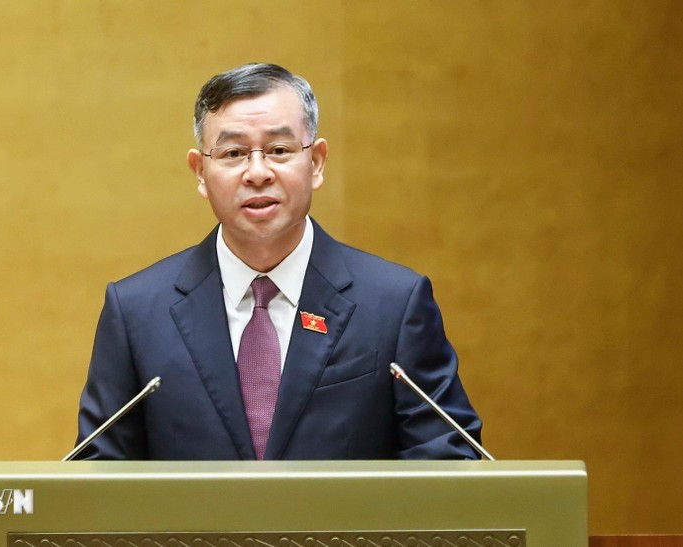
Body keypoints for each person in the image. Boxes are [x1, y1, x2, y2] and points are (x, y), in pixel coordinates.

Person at [75, 63, 483, 460]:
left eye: (279, 150)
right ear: (200, 171)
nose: (257, 172)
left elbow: (446, 461)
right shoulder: (136, 312)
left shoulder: (394, 304)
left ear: (317, 162)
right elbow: (98, 480)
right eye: (234, 152)